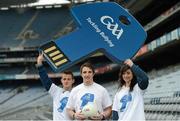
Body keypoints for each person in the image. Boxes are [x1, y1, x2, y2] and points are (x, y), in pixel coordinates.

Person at [36, 54, 75, 120]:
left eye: (68, 79)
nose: (66, 81)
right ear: (61, 80)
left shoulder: (76, 94)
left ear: (73, 81)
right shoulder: (56, 91)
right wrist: (39, 63)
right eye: (64, 79)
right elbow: (45, 80)